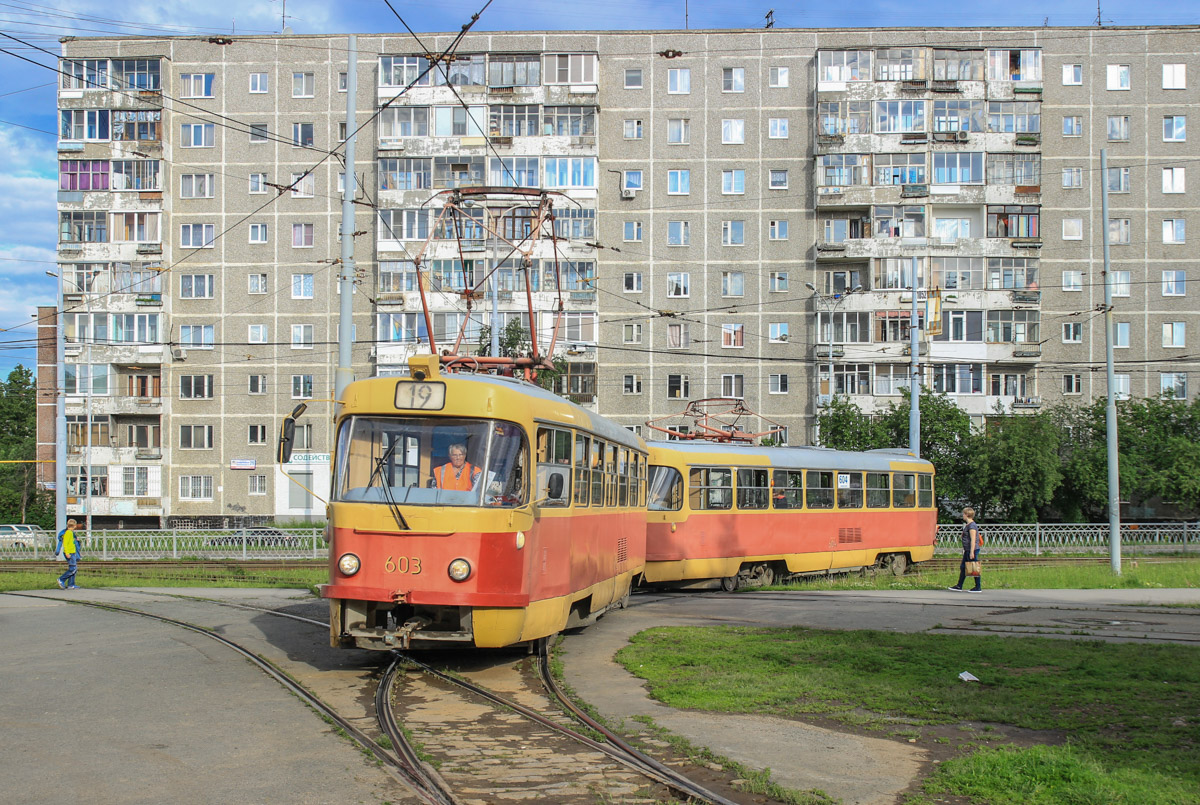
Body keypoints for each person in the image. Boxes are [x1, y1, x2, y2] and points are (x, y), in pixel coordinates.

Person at [948, 507, 982, 592]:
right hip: (968, 550)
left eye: (963, 514)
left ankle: (978, 587)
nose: (962, 515)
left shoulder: (972, 526)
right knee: (963, 567)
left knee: (974, 568)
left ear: (967, 515)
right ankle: (959, 586)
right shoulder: (968, 525)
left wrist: (971, 552)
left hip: (972, 550)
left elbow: (973, 540)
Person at [56, 519, 82, 590]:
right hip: (69, 553)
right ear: (74, 526)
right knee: (73, 568)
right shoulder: (68, 533)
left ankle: (71, 584)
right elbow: (65, 544)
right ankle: (61, 579)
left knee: (74, 568)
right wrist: (67, 553)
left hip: (72, 552)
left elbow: (71, 543)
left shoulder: (71, 533)